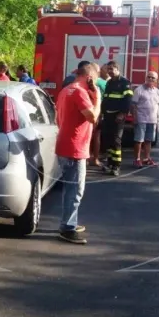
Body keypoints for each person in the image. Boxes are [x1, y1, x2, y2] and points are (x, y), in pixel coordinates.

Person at [54, 62, 100, 245]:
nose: (96, 83)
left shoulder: (66, 90)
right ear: (89, 78)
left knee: (70, 188)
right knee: (75, 190)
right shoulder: (81, 92)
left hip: (65, 144)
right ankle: (67, 228)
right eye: (95, 80)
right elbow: (93, 117)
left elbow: (59, 118)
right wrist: (98, 97)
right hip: (75, 148)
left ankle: (69, 222)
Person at [100, 62, 133, 176]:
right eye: (108, 69)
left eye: (111, 69)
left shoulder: (124, 83)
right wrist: (102, 112)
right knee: (107, 140)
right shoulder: (109, 82)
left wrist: (122, 114)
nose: (109, 71)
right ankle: (109, 163)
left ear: (117, 69)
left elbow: (128, 100)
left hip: (117, 117)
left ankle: (116, 166)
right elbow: (106, 98)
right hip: (107, 116)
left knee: (116, 141)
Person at [131, 71, 159, 167]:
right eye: (149, 77)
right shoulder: (139, 90)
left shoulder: (158, 92)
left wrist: (157, 118)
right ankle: (137, 159)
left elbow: (157, 106)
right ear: (146, 77)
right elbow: (133, 105)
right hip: (141, 119)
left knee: (148, 141)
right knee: (139, 140)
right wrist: (135, 118)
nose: (150, 79)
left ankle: (146, 158)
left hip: (152, 120)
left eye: (153, 78)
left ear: (156, 80)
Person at [89, 63, 108, 168]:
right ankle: (95, 159)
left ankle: (87, 158)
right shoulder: (103, 83)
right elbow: (107, 97)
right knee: (96, 136)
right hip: (97, 112)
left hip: (85, 112)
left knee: (87, 136)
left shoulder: (86, 82)